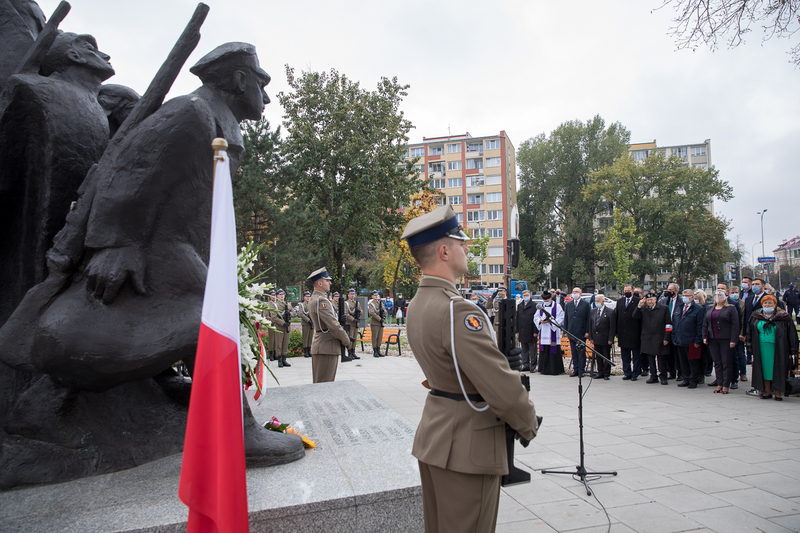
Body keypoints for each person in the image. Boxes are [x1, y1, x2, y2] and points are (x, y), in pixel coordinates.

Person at [400, 205, 538, 533]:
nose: (466, 248)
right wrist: (528, 422)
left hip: (437, 435)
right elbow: (500, 388)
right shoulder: (458, 311)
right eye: (460, 242)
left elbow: (449, 369)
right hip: (467, 446)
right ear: (444, 251)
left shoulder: (419, 303)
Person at [1, 32, 115, 325]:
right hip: (29, 243)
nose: (105, 56)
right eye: (90, 48)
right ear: (74, 56)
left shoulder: (97, 109)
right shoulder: (30, 87)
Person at [746, 294, 798, 401]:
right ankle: (767, 391)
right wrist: (750, 347)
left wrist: (793, 349)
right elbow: (749, 332)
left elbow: (792, 334)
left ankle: (778, 393)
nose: (767, 305)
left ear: (775, 305)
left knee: (778, 369)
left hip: (779, 347)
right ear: (762, 304)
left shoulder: (784, 316)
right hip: (761, 347)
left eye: (770, 303)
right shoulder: (756, 316)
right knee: (765, 370)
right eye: (765, 303)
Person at [307, 267, 352, 383]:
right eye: (327, 280)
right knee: (324, 387)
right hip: (327, 347)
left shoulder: (316, 298)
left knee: (321, 385)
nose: (330, 283)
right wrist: (346, 340)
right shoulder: (321, 301)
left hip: (324, 347)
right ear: (320, 283)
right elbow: (333, 325)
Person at [703, 289, 739, 394]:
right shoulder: (710, 308)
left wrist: (733, 339)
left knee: (726, 362)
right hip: (713, 339)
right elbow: (705, 323)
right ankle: (719, 383)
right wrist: (704, 336)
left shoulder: (730, 308)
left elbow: (735, 325)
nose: (718, 297)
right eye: (716, 295)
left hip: (726, 339)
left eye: (720, 295)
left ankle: (725, 384)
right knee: (717, 362)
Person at [633, 292, 672, 384]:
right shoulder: (644, 309)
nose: (650, 302)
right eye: (648, 300)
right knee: (650, 357)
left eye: (651, 300)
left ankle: (663, 377)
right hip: (648, 337)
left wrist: (666, 337)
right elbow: (635, 316)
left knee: (661, 358)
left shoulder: (664, 308)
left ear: (656, 300)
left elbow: (668, 324)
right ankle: (653, 376)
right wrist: (639, 306)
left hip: (660, 336)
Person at [672, 289, 705, 389]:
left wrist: (698, 340)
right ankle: (685, 378)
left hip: (691, 340)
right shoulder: (680, 307)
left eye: (687, 295)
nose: (685, 297)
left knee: (693, 362)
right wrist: (674, 337)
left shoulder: (698, 309)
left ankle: (693, 380)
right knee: (683, 361)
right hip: (679, 339)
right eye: (684, 295)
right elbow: (675, 322)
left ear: (692, 297)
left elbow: (700, 326)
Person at [534, 290, 565, 375]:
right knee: (544, 350)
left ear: (551, 299)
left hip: (552, 331)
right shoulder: (541, 307)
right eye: (544, 301)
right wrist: (540, 321)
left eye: (547, 301)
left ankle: (554, 369)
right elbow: (535, 317)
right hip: (544, 331)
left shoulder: (557, 306)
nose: (545, 303)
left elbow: (560, 317)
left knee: (553, 350)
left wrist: (550, 322)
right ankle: (544, 369)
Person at [616, 284, 643, 381]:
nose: (626, 292)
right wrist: (616, 331)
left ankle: (635, 373)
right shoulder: (620, 301)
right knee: (625, 355)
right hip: (623, 333)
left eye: (628, 290)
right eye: (625, 290)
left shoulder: (637, 301)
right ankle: (627, 372)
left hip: (634, 332)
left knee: (636, 355)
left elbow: (641, 318)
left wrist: (641, 333)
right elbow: (617, 316)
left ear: (632, 291)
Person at [563, 286, 591, 377]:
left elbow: (588, 319)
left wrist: (587, 331)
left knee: (581, 353)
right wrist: (566, 331)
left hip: (581, 332)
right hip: (571, 332)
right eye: (573, 291)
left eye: (577, 291)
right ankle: (575, 369)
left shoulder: (586, 304)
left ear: (580, 293)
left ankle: (581, 370)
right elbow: (566, 318)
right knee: (574, 353)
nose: (575, 293)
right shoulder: (569, 305)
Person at [588, 294, 616, 380]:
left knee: (606, 356)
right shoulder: (593, 311)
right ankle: (600, 372)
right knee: (598, 356)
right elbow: (590, 324)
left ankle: (606, 373)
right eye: (596, 301)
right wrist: (591, 337)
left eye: (598, 301)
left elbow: (612, 327)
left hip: (605, 338)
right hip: (596, 338)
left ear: (603, 301)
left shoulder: (610, 311)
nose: (597, 303)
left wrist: (611, 339)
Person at [659, 283, 682, 380]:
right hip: (666, 330)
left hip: (677, 330)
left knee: (678, 354)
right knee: (668, 353)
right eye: (668, 289)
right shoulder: (664, 301)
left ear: (676, 291)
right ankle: (671, 372)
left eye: (671, 290)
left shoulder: (681, 301)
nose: (669, 292)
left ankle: (680, 373)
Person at [269, 289, 295, 368]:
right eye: (280, 295)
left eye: (283, 294)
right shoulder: (275, 305)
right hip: (280, 327)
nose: (281, 296)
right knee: (279, 343)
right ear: (277, 296)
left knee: (285, 343)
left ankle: (284, 359)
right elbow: (274, 317)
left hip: (287, 327)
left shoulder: (288, 304)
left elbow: (294, 313)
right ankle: (279, 360)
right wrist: (283, 323)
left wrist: (289, 313)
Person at [516, 289, 538, 372]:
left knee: (532, 350)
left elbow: (536, 319)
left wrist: (536, 331)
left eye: (527, 295)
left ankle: (533, 366)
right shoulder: (520, 305)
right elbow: (518, 318)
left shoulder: (534, 305)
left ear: (530, 296)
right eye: (524, 295)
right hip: (522, 330)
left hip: (531, 331)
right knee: (524, 349)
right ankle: (525, 364)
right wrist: (517, 330)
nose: (525, 297)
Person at [344, 289, 362, 360]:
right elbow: (346, 313)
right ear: (348, 295)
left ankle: (353, 352)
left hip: (356, 323)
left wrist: (359, 311)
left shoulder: (357, 303)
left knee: (355, 337)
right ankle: (349, 352)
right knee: (350, 337)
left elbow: (362, 312)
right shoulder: (346, 303)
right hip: (350, 323)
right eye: (351, 294)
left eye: (353, 294)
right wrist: (353, 319)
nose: (352, 295)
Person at [368, 291, 386, 357]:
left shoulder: (380, 303)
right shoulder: (371, 304)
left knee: (379, 337)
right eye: (375, 295)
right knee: (375, 337)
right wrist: (379, 318)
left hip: (380, 323)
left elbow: (385, 310)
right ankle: (375, 351)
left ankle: (378, 350)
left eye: (377, 295)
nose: (376, 296)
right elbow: (372, 313)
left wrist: (383, 313)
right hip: (375, 322)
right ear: (372, 296)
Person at [297, 291, 314, 358]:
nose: (308, 298)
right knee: (306, 337)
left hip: (312, 323)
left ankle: (309, 350)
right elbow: (301, 314)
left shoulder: (312, 304)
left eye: (309, 297)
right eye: (306, 297)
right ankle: (305, 351)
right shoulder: (302, 305)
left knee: (310, 337)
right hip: (305, 323)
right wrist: (308, 320)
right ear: (304, 297)